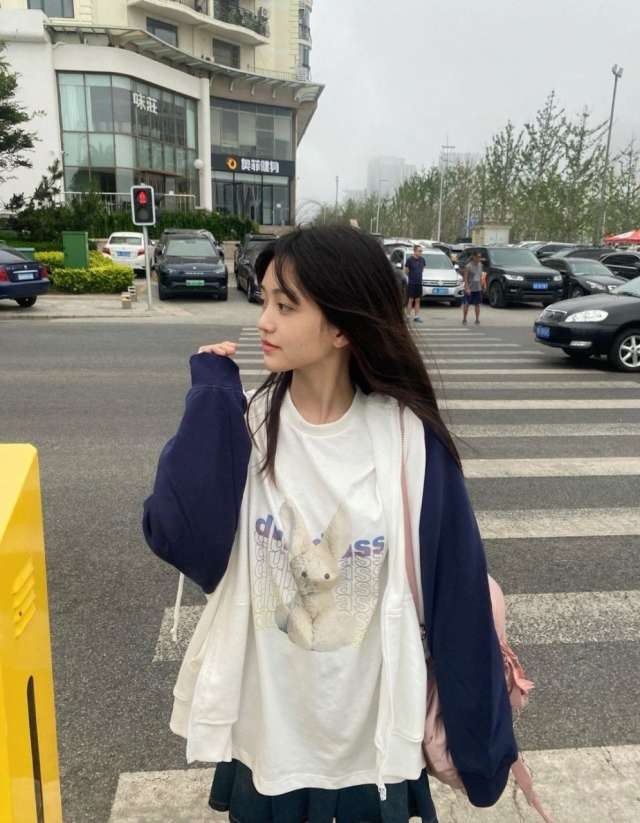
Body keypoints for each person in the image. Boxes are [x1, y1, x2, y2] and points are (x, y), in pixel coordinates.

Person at [142, 225, 517, 823]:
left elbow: (458, 596)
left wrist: (484, 748)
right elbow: (179, 537)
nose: (263, 321)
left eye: (285, 306)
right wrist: (210, 400)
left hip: (370, 746)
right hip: (270, 740)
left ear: (343, 327)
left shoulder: (408, 440)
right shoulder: (249, 424)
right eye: (264, 300)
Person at [462, 250, 484, 325]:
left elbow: (480, 276)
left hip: (478, 288)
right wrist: (467, 288)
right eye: (477, 257)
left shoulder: (480, 265)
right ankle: (464, 319)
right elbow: (465, 278)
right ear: (473, 257)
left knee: (477, 304)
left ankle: (477, 319)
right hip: (470, 288)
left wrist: (482, 286)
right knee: (467, 304)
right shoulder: (468, 266)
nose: (479, 258)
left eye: (480, 257)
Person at [405, 244, 425, 323]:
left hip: (419, 283)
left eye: (421, 251)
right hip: (412, 283)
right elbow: (406, 271)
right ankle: (408, 316)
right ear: (415, 251)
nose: (420, 252)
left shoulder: (422, 260)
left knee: (417, 300)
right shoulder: (409, 260)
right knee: (410, 300)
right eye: (419, 251)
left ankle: (416, 317)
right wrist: (412, 277)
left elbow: (422, 270)